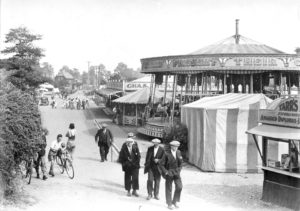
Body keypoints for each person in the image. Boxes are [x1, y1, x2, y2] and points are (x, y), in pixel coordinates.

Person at [159, 140, 183, 210]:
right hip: (169, 173)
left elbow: (181, 163)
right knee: (169, 188)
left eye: (177, 147)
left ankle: (174, 201)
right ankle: (169, 203)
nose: (175, 148)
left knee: (179, 187)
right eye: (174, 146)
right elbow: (161, 164)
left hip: (176, 173)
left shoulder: (179, 152)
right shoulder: (166, 153)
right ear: (171, 146)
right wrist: (166, 172)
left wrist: (179, 170)